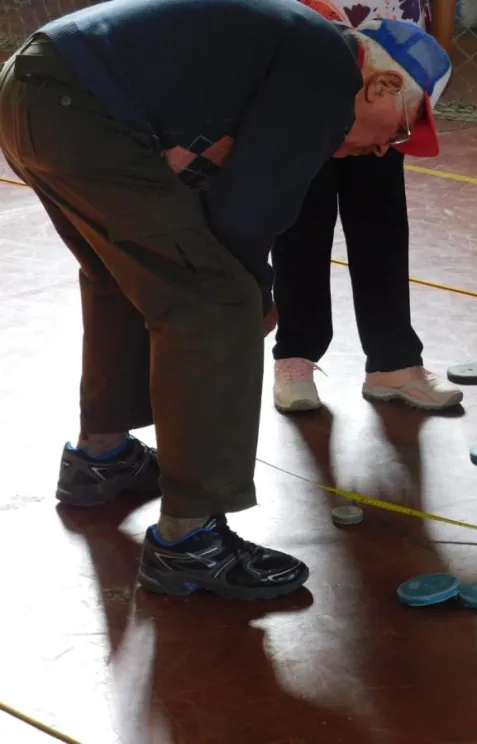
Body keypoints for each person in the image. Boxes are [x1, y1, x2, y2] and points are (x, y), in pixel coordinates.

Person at [0, 0, 452, 601]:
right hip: (78, 106)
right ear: (383, 83)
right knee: (218, 304)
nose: (382, 150)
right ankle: (190, 543)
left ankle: (101, 459)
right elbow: (248, 216)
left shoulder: (301, 50)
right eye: (397, 129)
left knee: (121, 277)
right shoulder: (329, 68)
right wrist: (254, 298)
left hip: (33, 88)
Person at [272, 0, 463, 414]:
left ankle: (393, 362)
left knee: (382, 220)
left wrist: (435, 54)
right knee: (301, 217)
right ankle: (296, 355)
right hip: (315, 58)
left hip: (393, 63)